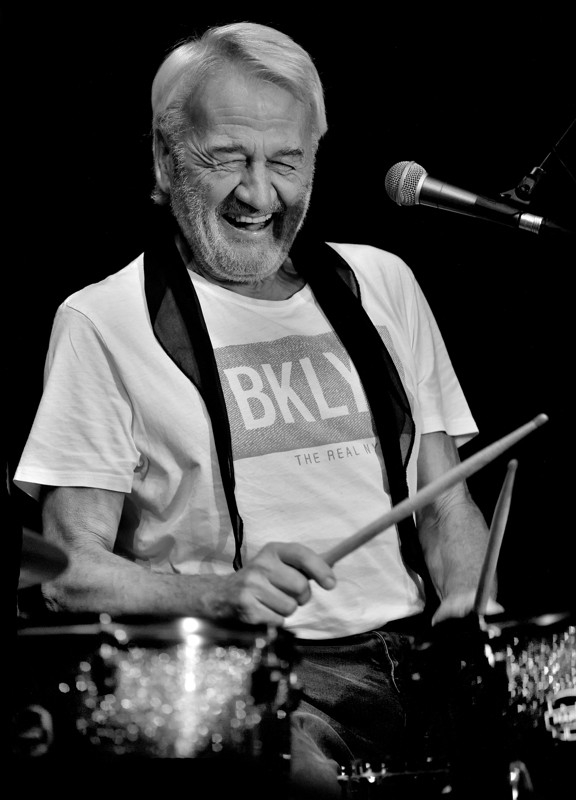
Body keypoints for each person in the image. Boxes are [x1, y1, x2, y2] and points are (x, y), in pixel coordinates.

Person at [14, 20, 503, 798]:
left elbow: (447, 507)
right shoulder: (102, 320)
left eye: (286, 161)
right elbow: (69, 571)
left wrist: (470, 614)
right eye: (227, 158)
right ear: (164, 161)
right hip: (244, 674)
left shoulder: (382, 284)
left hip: (416, 658)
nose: (259, 193)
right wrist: (222, 593)